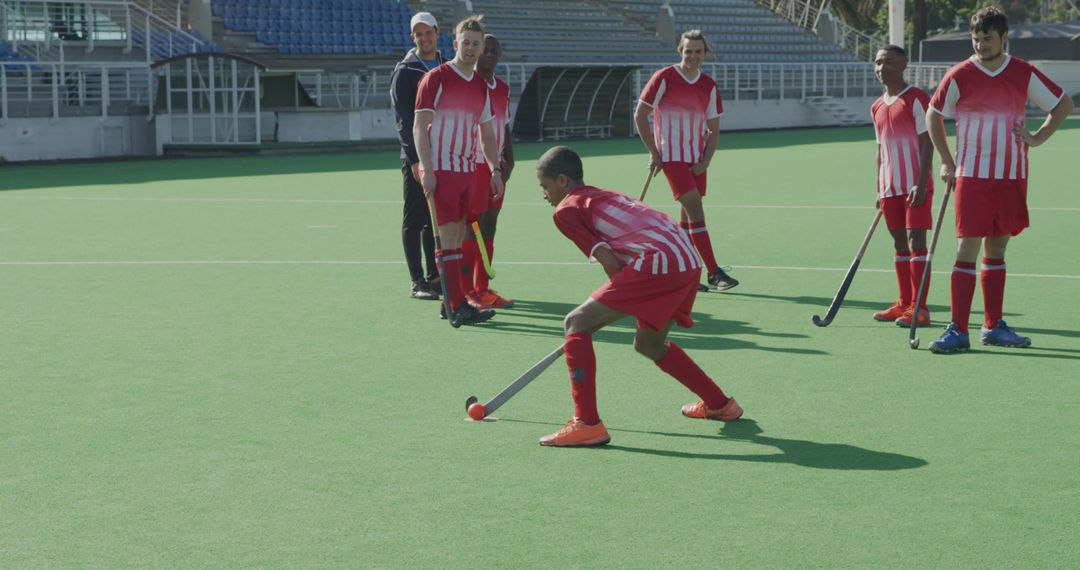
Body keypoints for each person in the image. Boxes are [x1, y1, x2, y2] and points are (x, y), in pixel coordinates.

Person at [535, 146, 743, 447]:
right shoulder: (600, 194)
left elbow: (611, 263)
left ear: (563, 181)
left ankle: (587, 424)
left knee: (577, 323)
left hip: (660, 261)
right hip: (686, 258)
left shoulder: (566, 210)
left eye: (545, 186)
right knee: (649, 343)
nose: (544, 194)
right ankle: (720, 404)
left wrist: (619, 300)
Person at [925, 6, 1073, 354]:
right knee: (966, 248)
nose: (980, 45)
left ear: (1004, 38)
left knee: (998, 248)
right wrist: (946, 161)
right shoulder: (960, 74)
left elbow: (1062, 105)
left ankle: (992, 325)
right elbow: (934, 116)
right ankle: (958, 329)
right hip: (972, 175)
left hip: (1011, 174)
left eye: (987, 39)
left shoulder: (1023, 72)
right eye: (976, 39)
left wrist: (1036, 137)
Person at [413, 16, 505, 327]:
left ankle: (450, 303)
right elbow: (418, 127)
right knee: (449, 235)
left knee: (459, 235)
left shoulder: (481, 86)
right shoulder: (436, 78)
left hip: (468, 170)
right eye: (465, 42)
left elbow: (488, 135)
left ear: (481, 49)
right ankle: (456, 304)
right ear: (455, 44)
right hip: (442, 169)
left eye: (476, 44)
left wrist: (494, 168)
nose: (470, 48)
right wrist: (427, 168)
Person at [634, 29, 739, 293]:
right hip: (672, 157)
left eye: (698, 51)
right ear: (680, 51)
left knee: (687, 219)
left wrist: (706, 161)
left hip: (696, 158)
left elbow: (714, 129)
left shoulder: (708, 85)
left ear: (705, 54)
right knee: (695, 210)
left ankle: (684, 275)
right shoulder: (664, 77)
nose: (693, 56)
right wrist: (655, 152)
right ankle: (714, 272)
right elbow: (640, 115)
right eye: (688, 51)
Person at [869, 45, 935, 328]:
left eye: (890, 62)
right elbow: (879, 151)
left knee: (915, 242)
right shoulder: (876, 106)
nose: (883, 67)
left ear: (904, 65)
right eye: (878, 63)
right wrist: (878, 188)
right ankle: (904, 303)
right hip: (890, 187)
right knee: (898, 243)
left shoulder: (917, 98)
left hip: (914, 186)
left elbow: (927, 141)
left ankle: (920, 308)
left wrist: (921, 183)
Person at [390, 11, 443, 301]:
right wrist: (414, 158)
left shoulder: (447, 66)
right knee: (415, 217)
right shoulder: (406, 70)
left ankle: (435, 276)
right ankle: (416, 280)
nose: (424, 38)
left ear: (437, 33)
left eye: (429, 32)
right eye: (419, 34)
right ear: (413, 37)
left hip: (444, 155)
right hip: (417, 157)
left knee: (435, 216)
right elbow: (402, 119)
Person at [462, 34, 515, 311]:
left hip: (496, 167)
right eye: (486, 48)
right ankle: (467, 291)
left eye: (495, 49)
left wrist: (509, 159)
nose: (490, 53)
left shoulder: (503, 88)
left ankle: (483, 288)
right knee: (471, 226)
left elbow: (504, 126)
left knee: (490, 223)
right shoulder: (468, 84)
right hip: (473, 165)